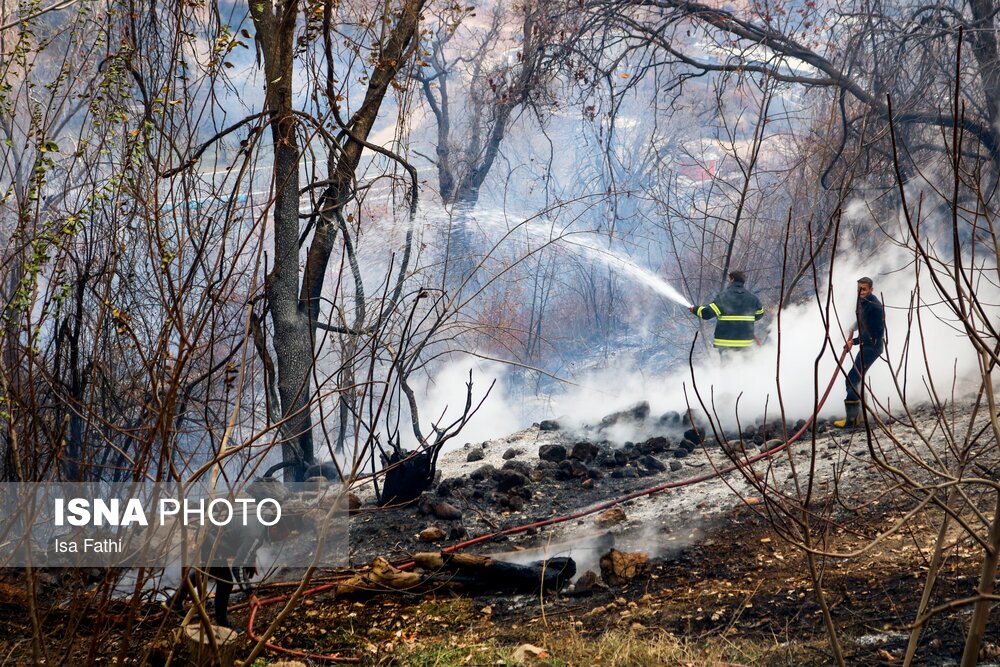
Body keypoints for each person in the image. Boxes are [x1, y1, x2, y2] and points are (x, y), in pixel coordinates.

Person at [834, 276, 885, 428]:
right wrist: (852, 327)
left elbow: (873, 333)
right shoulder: (864, 302)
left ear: (871, 290)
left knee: (852, 378)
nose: (860, 292)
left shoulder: (874, 306)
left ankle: (852, 420)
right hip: (867, 345)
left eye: (864, 289)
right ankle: (861, 415)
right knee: (857, 378)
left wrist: (853, 342)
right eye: (859, 289)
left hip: (872, 347)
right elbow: (862, 319)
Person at [689, 270, 765, 354]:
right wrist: (745, 321)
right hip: (745, 344)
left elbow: (706, 313)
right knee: (743, 367)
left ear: (732, 279)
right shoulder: (752, 298)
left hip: (725, 344)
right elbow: (760, 314)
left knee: (727, 367)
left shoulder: (724, 297)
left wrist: (694, 309)